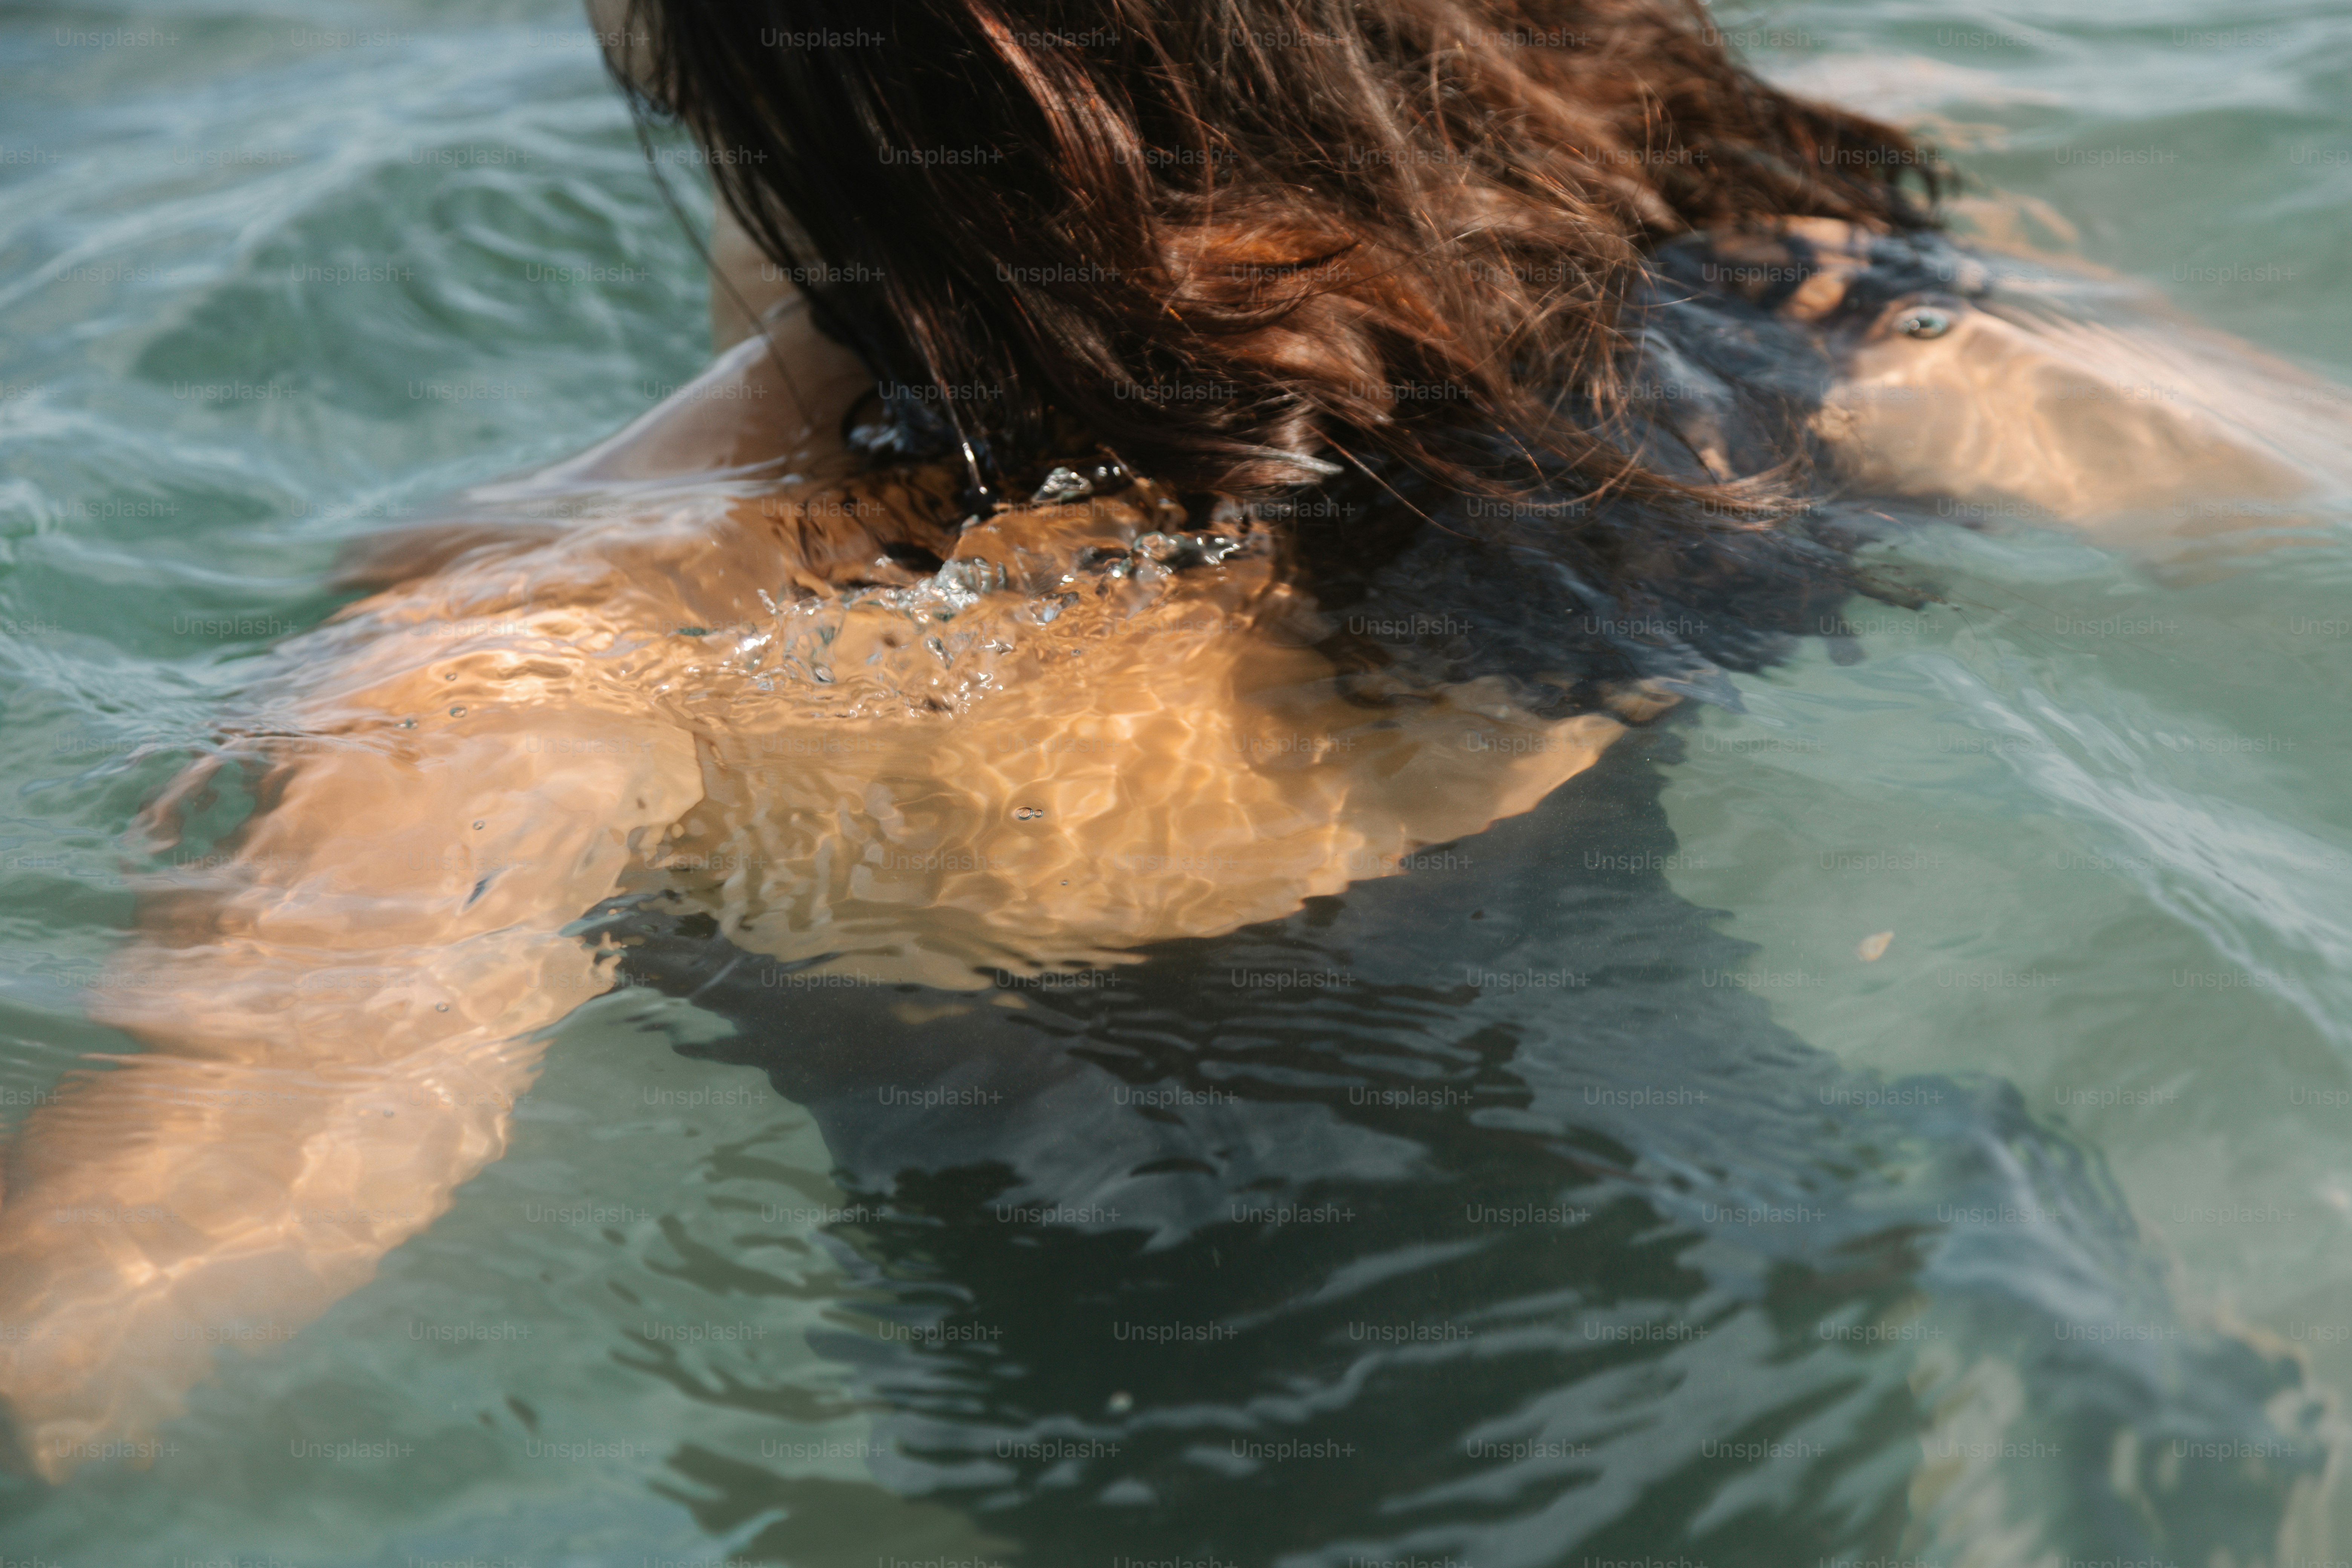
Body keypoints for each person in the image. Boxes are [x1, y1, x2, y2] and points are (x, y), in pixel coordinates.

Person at [0, 0, 2338, 1490]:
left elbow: (172, 1249)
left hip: (1128, 1492)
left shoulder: (555, 656)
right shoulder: (1750, 318)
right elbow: (2276, 495)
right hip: (1827, 1340)